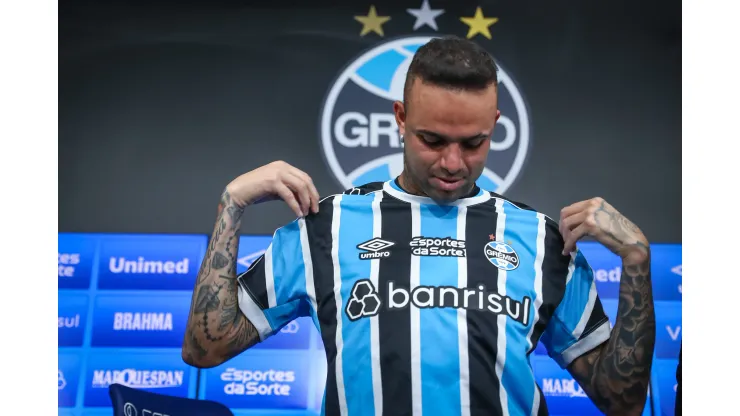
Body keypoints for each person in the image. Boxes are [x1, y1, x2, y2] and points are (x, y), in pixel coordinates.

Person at [182, 36, 656, 415]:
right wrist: (231, 205)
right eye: (433, 140)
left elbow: (622, 400)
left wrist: (636, 260)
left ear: (495, 124)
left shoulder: (542, 239)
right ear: (401, 119)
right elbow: (206, 348)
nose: (452, 162)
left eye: (473, 143)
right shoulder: (325, 228)